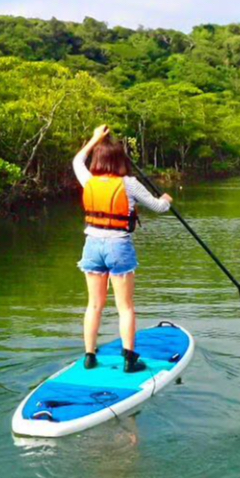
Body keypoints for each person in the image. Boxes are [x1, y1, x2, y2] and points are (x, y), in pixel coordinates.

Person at [73, 125, 172, 374]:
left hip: (92, 246)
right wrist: (167, 200)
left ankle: (89, 356)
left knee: (94, 305)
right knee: (125, 306)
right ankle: (129, 360)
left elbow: (77, 160)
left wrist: (94, 139)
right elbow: (158, 207)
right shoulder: (129, 183)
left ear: (97, 158)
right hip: (119, 247)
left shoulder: (88, 180)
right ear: (120, 161)